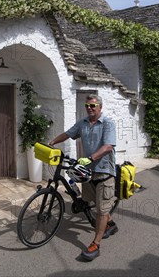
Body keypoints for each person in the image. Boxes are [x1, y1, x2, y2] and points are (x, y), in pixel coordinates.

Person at [48, 94, 117, 261]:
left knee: (101, 210)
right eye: (87, 105)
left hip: (104, 172)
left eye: (93, 106)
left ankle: (95, 244)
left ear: (100, 107)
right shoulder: (83, 123)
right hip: (88, 173)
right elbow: (68, 133)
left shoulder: (107, 123)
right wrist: (52, 142)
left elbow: (108, 146)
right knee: (91, 202)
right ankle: (111, 224)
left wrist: (91, 158)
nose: (89, 108)